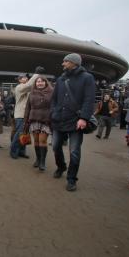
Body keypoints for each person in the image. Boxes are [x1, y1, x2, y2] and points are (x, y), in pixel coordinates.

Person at [50, 53, 95, 192]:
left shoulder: (87, 78)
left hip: (76, 121)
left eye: (65, 61)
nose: (63, 63)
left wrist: (84, 118)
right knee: (55, 147)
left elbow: (89, 99)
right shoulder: (61, 79)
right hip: (59, 119)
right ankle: (61, 166)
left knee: (74, 151)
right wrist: (53, 112)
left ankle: (71, 179)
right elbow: (54, 98)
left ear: (74, 63)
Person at [10, 66, 44, 159]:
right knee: (20, 133)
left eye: (26, 77)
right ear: (20, 80)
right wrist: (36, 74)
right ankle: (13, 151)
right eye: (24, 77)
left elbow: (31, 87)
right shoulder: (19, 87)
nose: (26, 78)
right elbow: (29, 85)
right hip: (21, 115)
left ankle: (21, 151)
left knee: (25, 134)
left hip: (26, 115)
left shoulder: (25, 88)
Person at [24, 76, 53, 171]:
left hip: (46, 120)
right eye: (37, 82)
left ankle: (42, 162)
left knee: (43, 141)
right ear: (35, 83)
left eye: (41, 81)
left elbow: (54, 106)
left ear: (45, 82)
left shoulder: (51, 92)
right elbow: (27, 107)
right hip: (34, 119)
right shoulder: (31, 93)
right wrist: (26, 121)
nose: (39, 83)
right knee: (36, 141)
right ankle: (38, 159)